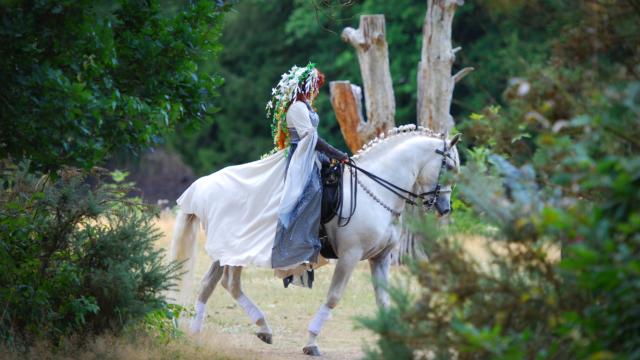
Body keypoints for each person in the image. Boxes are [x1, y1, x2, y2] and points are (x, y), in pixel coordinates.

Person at [176, 63, 348, 272]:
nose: (316, 92)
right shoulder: (297, 108)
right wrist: (338, 154)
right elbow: (310, 137)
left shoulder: (306, 107)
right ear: (305, 87)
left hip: (311, 155)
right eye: (314, 87)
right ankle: (297, 247)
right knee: (311, 191)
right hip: (300, 159)